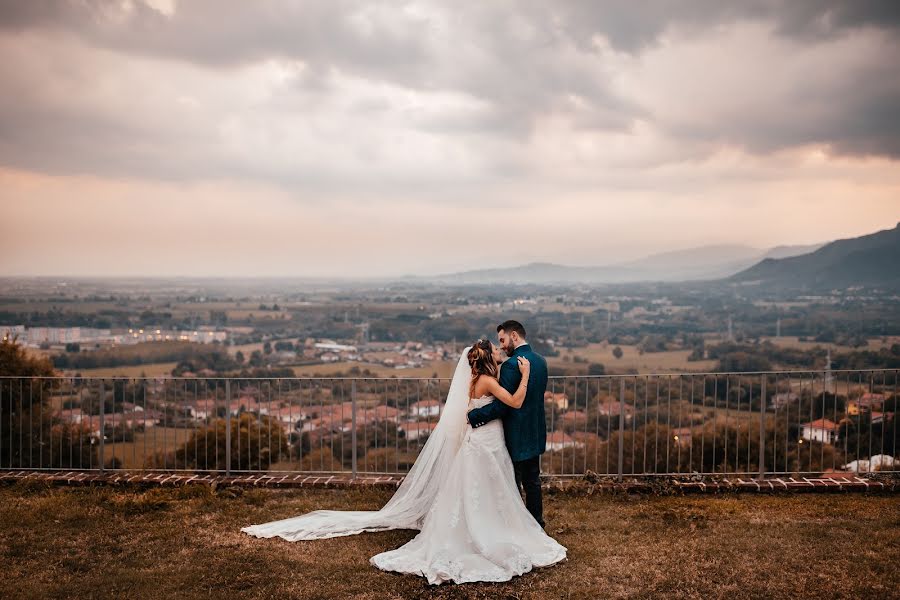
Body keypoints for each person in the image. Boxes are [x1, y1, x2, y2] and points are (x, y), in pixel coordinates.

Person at [241, 338, 566, 585]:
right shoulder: (488, 381)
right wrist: (524, 375)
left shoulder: (474, 380)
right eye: (495, 351)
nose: (500, 352)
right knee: (489, 485)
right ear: (485, 359)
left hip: (482, 440)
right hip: (485, 441)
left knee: (482, 486)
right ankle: (492, 530)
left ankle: (486, 523)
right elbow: (516, 400)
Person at [467, 320, 548, 527]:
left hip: (514, 434)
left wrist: (474, 416)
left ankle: (515, 526)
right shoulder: (541, 361)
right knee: (533, 481)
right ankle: (537, 524)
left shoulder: (512, 366)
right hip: (535, 430)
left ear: (514, 336)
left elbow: (503, 406)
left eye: (502, 340)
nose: (501, 346)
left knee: (512, 483)